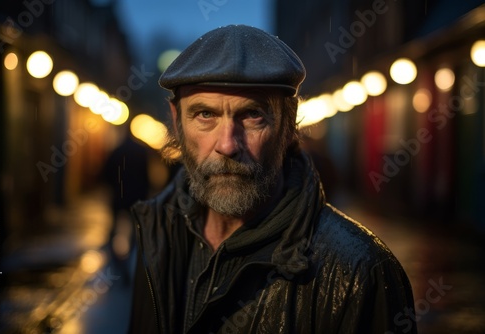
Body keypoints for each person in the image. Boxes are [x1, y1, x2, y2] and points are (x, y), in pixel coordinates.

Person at [128, 25, 417, 333]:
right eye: (205, 115)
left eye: (252, 115)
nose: (227, 144)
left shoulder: (361, 273)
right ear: (176, 120)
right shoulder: (157, 231)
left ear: (288, 123)